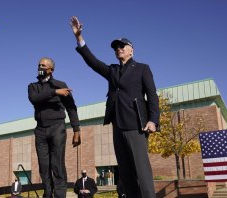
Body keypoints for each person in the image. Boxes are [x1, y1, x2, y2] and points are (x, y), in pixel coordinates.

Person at [70, 16, 160, 198]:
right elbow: (93, 62)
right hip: (117, 125)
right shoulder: (112, 70)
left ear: (131, 51)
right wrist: (79, 38)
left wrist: (153, 120)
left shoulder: (142, 68)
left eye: (122, 46)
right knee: (126, 173)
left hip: (137, 125)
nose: (118, 49)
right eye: (115, 47)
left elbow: (152, 96)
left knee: (141, 171)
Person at [28, 57, 82, 198]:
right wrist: (55, 92)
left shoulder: (60, 84)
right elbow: (35, 99)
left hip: (57, 128)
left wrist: (76, 130)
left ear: (51, 69)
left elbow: (71, 108)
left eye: (43, 65)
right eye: (39, 65)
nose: (40, 67)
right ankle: (48, 194)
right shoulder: (33, 86)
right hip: (40, 130)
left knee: (57, 165)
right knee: (44, 166)